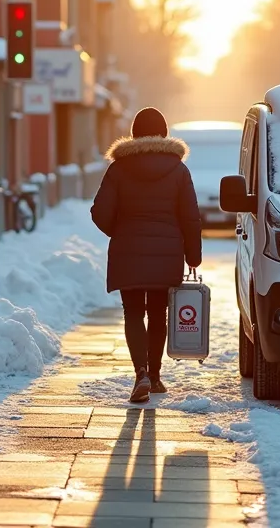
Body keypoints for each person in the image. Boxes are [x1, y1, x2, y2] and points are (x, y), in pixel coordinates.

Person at [91, 107, 203, 403]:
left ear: (134, 133)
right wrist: (193, 254)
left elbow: (99, 212)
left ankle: (139, 372)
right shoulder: (178, 169)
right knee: (158, 313)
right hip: (166, 253)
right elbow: (190, 217)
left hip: (127, 251)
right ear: (164, 134)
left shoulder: (119, 168)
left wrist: (121, 230)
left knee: (133, 313)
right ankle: (154, 376)